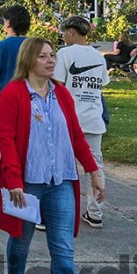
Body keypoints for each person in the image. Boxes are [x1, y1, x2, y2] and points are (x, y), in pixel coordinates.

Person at [0, 37, 105, 274]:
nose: (51, 60)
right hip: (27, 182)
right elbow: (5, 138)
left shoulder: (62, 93)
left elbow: (76, 136)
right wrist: (13, 180)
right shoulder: (13, 93)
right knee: (20, 241)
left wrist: (93, 172)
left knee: (63, 250)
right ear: (29, 60)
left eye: (52, 55)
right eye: (43, 56)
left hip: (61, 181)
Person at [54, 16, 110, 230]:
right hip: (93, 118)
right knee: (94, 166)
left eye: (63, 33)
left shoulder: (65, 54)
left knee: (61, 166)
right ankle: (95, 213)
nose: (63, 37)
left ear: (71, 32)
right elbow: (101, 84)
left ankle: (56, 213)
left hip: (69, 119)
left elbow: (58, 85)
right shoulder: (98, 56)